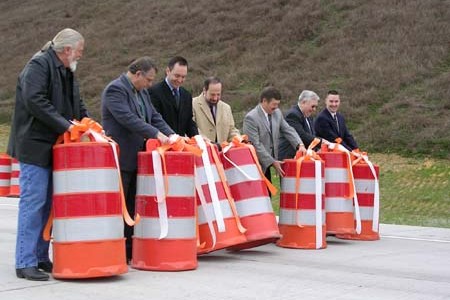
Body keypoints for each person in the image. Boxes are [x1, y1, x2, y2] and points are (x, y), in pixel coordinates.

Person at [7, 28, 88, 281]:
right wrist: (67, 126)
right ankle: (25, 261)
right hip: (34, 146)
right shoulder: (38, 65)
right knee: (33, 204)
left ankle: (41, 256)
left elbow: (77, 102)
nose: (80, 56)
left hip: (55, 148)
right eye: (79, 52)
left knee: (49, 206)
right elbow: (35, 101)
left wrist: (87, 123)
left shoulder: (67, 71)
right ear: (66, 50)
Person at [101, 57, 175, 262]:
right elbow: (127, 118)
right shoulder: (115, 90)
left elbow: (154, 116)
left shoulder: (142, 92)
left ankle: (130, 247)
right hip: (121, 158)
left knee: (134, 204)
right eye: (149, 80)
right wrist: (155, 134)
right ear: (138, 74)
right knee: (121, 205)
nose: (150, 84)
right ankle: (116, 248)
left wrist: (172, 135)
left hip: (139, 159)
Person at [242, 86, 306, 182]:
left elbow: (288, 130)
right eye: (274, 104)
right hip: (256, 165)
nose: (276, 107)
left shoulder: (277, 113)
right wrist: (272, 161)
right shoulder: (251, 118)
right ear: (264, 101)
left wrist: (299, 145)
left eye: (278, 104)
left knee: (270, 195)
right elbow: (255, 144)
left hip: (269, 162)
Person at [148, 56, 198, 137]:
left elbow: (189, 122)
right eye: (177, 76)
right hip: (161, 144)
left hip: (180, 145)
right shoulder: (154, 92)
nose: (179, 80)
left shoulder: (186, 95)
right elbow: (155, 121)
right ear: (168, 71)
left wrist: (197, 137)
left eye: (183, 77)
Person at [278, 90, 328, 160]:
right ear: (303, 102)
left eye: (315, 107)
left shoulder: (309, 116)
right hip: (289, 157)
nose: (314, 109)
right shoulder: (293, 115)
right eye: (312, 106)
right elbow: (302, 135)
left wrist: (318, 148)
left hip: (303, 157)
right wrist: (322, 142)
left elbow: (311, 136)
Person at [192, 76, 240, 144]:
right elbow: (192, 130)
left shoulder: (226, 108)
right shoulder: (192, 104)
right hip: (202, 151)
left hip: (222, 152)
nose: (215, 98)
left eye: (218, 95)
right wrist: (208, 142)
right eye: (212, 95)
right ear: (204, 90)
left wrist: (240, 140)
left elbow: (231, 130)